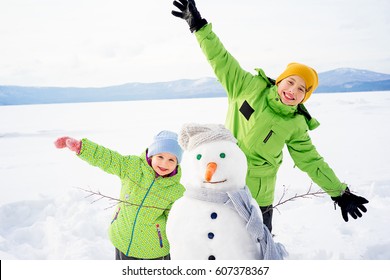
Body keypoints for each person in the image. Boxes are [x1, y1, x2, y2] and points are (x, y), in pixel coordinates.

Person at [171, 0, 368, 232]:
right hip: (223, 180)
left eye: (302, 89)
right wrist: (199, 27)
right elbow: (220, 59)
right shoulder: (248, 87)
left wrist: (339, 192)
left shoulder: (296, 124)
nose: (293, 90)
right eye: (291, 81)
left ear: (305, 97)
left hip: (258, 196)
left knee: (258, 249)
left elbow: (311, 161)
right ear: (281, 79)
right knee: (214, 242)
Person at [54, 130, 185, 260]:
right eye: (160, 157)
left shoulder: (176, 191)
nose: (164, 164)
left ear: (177, 163)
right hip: (123, 239)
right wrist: (81, 148)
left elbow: (176, 225)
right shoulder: (133, 167)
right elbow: (109, 159)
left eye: (171, 160)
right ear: (151, 155)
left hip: (154, 250)